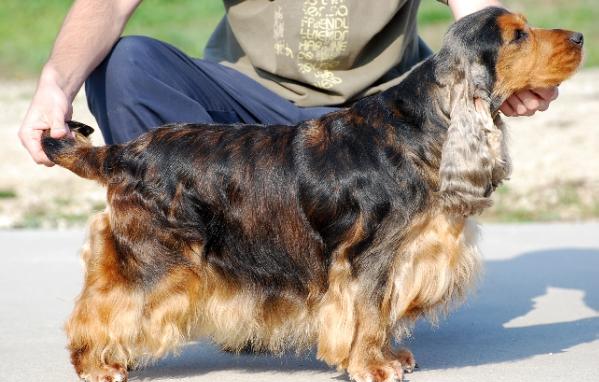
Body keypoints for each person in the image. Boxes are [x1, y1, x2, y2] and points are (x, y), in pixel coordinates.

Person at [18, 0, 558, 166]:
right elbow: (108, 4)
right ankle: (214, 259)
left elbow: (480, 13)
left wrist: (510, 74)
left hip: (373, 123)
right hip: (247, 109)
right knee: (125, 66)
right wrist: (54, 86)